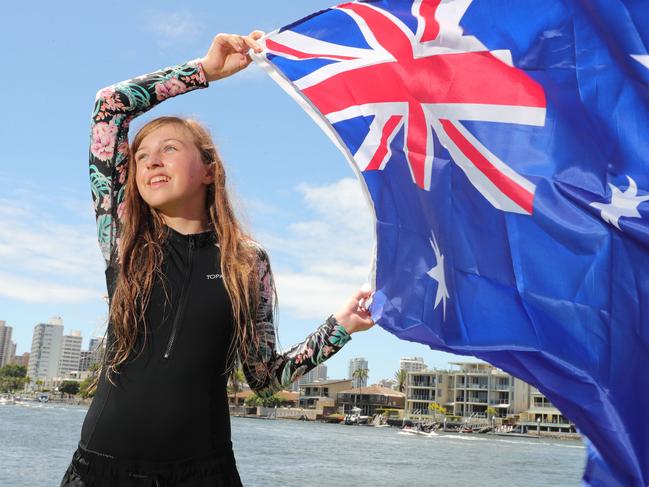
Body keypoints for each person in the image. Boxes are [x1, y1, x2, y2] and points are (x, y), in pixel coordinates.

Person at [60, 30, 374, 486]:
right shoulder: (123, 235)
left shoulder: (248, 262)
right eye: (141, 155)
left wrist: (340, 328)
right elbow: (110, 105)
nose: (150, 161)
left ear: (209, 170)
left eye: (168, 148)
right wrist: (204, 71)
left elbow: (264, 377)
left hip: (203, 474)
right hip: (100, 471)